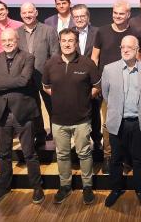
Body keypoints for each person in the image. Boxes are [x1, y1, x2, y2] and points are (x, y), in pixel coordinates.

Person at [42, 28, 100, 205]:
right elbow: (46, 87)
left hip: (82, 119)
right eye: (64, 40)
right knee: (62, 155)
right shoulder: (50, 64)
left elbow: (96, 87)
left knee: (84, 153)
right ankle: (65, 185)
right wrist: (61, 96)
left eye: (71, 41)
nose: (67, 44)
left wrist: (81, 98)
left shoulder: (88, 63)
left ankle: (87, 186)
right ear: (59, 42)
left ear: (76, 43)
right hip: (58, 120)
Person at [0, 29, 43, 206]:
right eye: (4, 40)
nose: (8, 42)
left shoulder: (28, 57)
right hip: (2, 113)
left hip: (23, 113)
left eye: (11, 39)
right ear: (0, 42)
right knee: (3, 154)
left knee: (29, 153)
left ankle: (37, 187)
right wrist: (2, 84)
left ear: (17, 40)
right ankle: (3, 187)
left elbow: (24, 81)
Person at [101, 36, 141, 208]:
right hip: (118, 122)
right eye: (122, 46)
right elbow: (105, 94)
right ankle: (116, 189)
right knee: (116, 158)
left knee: (138, 159)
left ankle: (140, 190)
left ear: (137, 49)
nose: (125, 50)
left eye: (129, 47)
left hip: (138, 122)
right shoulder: (109, 69)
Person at [91, 0, 140, 174]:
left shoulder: (134, 33)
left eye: (121, 13)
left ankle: (126, 158)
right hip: (108, 87)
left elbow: (139, 60)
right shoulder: (101, 32)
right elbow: (94, 58)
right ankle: (108, 157)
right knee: (108, 124)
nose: (117, 16)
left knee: (128, 123)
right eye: (115, 13)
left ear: (128, 14)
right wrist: (95, 81)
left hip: (130, 86)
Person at [17, 2, 59, 145]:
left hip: (45, 76)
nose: (27, 15)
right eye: (24, 13)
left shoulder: (48, 30)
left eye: (30, 12)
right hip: (26, 78)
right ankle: (39, 133)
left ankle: (56, 132)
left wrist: (50, 74)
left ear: (36, 12)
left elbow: (55, 54)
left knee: (51, 106)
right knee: (33, 107)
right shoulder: (17, 33)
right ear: (21, 15)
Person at [72, 4, 101, 151]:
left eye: (82, 16)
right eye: (76, 17)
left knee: (94, 111)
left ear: (88, 17)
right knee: (77, 111)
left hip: (92, 79)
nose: (79, 19)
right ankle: (80, 142)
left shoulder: (98, 32)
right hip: (73, 81)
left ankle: (97, 140)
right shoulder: (67, 34)